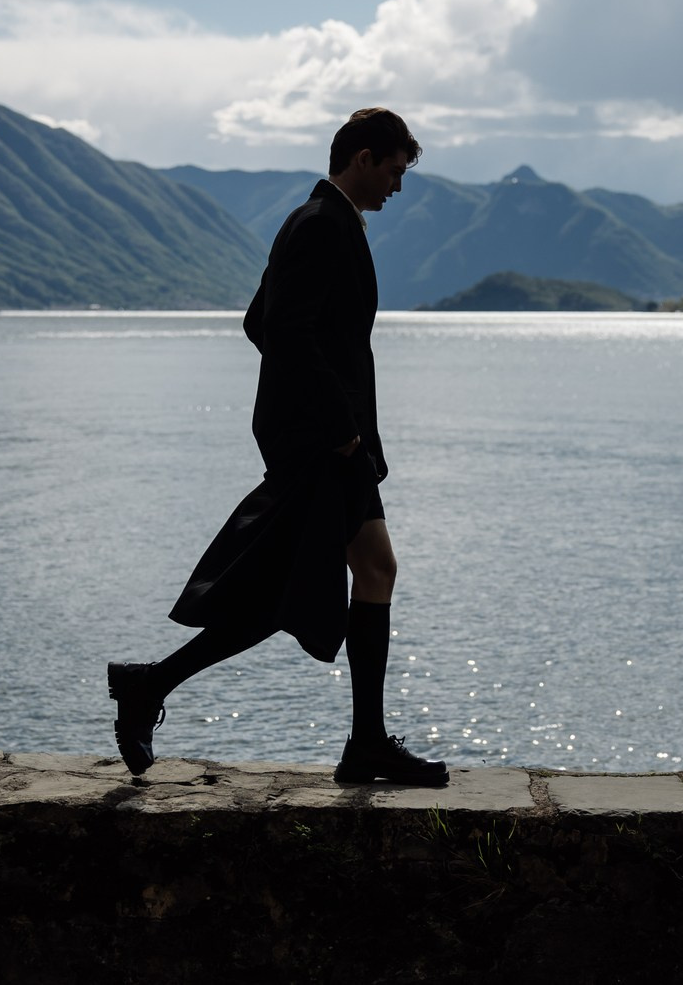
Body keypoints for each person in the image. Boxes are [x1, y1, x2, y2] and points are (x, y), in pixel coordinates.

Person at [106, 108, 447, 787]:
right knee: (306, 586)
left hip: (328, 439)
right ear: (362, 158)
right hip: (326, 443)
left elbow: (259, 322)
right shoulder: (320, 225)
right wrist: (337, 425)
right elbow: (282, 329)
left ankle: (358, 740)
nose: (397, 186)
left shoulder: (323, 220)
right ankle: (359, 742)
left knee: (356, 572)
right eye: (393, 171)